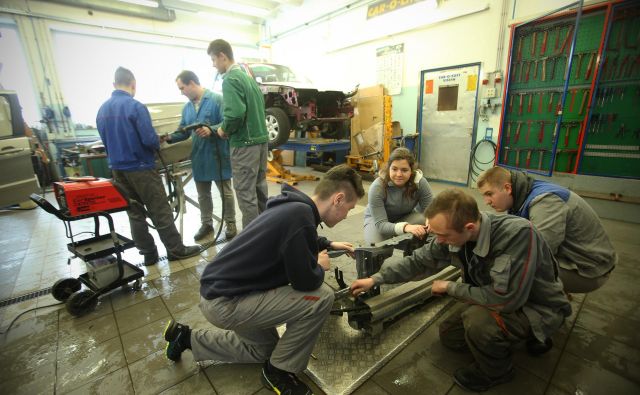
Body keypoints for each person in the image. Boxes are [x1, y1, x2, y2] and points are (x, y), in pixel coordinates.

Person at [164, 164, 364, 395]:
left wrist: (326, 244)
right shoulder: (299, 217)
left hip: (220, 292)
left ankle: (187, 338)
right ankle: (279, 372)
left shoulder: (294, 208)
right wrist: (319, 267)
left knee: (265, 349)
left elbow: (293, 237)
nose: (347, 215)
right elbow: (305, 282)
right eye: (348, 208)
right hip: (226, 303)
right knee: (321, 297)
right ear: (338, 199)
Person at [350, 188, 571, 392]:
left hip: (535, 304)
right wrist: (375, 279)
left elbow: (505, 300)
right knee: (450, 337)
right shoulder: (453, 233)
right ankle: (510, 339)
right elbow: (419, 261)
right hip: (500, 295)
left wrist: (450, 287)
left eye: (443, 236)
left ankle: (498, 371)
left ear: (469, 228)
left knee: (478, 325)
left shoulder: (517, 235)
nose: (439, 241)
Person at [96, 67, 201, 266]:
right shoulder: (135, 107)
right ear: (133, 84)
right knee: (160, 209)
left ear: (114, 85)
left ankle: (148, 254)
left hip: (118, 170)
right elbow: (149, 140)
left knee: (134, 213)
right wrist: (157, 139)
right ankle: (175, 250)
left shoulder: (102, 110)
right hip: (141, 167)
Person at [477, 166, 617, 293]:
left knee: (513, 272)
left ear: (507, 188)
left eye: (490, 194)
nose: (486, 201)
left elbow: (538, 253)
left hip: (590, 270)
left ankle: (547, 314)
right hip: (573, 258)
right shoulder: (522, 195)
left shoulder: (545, 202)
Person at [163, 70, 237, 241]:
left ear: (192, 83)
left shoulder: (216, 100)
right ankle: (206, 224)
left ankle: (231, 222)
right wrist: (168, 137)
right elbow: (184, 131)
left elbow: (228, 123)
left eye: (182, 88)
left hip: (218, 155)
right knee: (203, 194)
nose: (181, 92)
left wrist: (210, 129)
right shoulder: (187, 108)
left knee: (225, 192)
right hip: (199, 157)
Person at [207, 39, 269, 229]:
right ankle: (268, 231)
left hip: (245, 145)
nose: (213, 64)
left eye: (213, 60)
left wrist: (223, 129)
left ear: (222, 56)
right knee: (260, 190)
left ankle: (254, 242)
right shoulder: (248, 79)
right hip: (260, 142)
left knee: (245, 193)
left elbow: (234, 114)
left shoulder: (230, 79)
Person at [364, 147, 434, 244]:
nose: (399, 174)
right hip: (379, 221)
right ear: (389, 168)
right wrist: (406, 227)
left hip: (405, 216)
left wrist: (430, 220)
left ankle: (414, 254)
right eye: (394, 169)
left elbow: (431, 211)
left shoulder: (420, 182)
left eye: (404, 170)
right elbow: (381, 225)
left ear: (411, 170)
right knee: (376, 248)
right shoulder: (377, 187)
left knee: (429, 224)